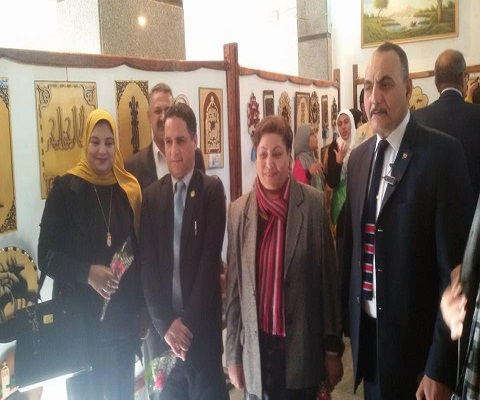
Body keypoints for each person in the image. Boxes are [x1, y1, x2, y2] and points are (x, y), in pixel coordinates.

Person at [342, 42, 475, 399]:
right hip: (370, 345)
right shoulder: (359, 160)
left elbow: (457, 274)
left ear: (408, 87)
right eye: (367, 87)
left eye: (385, 84)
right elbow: (352, 250)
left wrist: (439, 365)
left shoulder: (441, 155)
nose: (374, 97)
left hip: (418, 359)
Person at [226, 115, 344, 399]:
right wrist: (233, 356)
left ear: (289, 156)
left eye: (277, 154)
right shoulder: (239, 212)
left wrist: (332, 350)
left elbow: (328, 284)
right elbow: (234, 291)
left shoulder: (312, 205)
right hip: (257, 353)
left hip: (302, 350)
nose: (270, 163)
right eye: (263, 154)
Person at [38, 109, 143, 400]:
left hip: (121, 325)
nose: (102, 150)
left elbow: (139, 254)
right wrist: (87, 274)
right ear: (85, 143)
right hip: (79, 328)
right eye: (95, 142)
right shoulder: (66, 190)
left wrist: (142, 310)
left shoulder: (128, 190)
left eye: (109, 142)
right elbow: (45, 256)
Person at [141, 103, 228, 399]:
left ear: (194, 140)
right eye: (168, 141)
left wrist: (185, 328)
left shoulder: (212, 191)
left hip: (200, 336)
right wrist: (167, 326)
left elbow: (208, 266)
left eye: (181, 140)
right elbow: (148, 269)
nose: (174, 150)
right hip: (162, 338)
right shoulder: (151, 197)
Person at [414, 49, 480, 203]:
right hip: (472, 212)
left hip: (429, 213)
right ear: (463, 77)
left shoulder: (417, 119)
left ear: (436, 83)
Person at [125, 83, 205, 190]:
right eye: (157, 111)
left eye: (168, 110)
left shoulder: (195, 155)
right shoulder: (134, 166)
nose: (163, 117)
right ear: (149, 117)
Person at [292, 123, 323, 191]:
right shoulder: (300, 162)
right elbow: (298, 190)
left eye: (314, 133)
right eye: (311, 134)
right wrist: (309, 174)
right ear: (304, 139)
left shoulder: (312, 158)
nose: (315, 136)